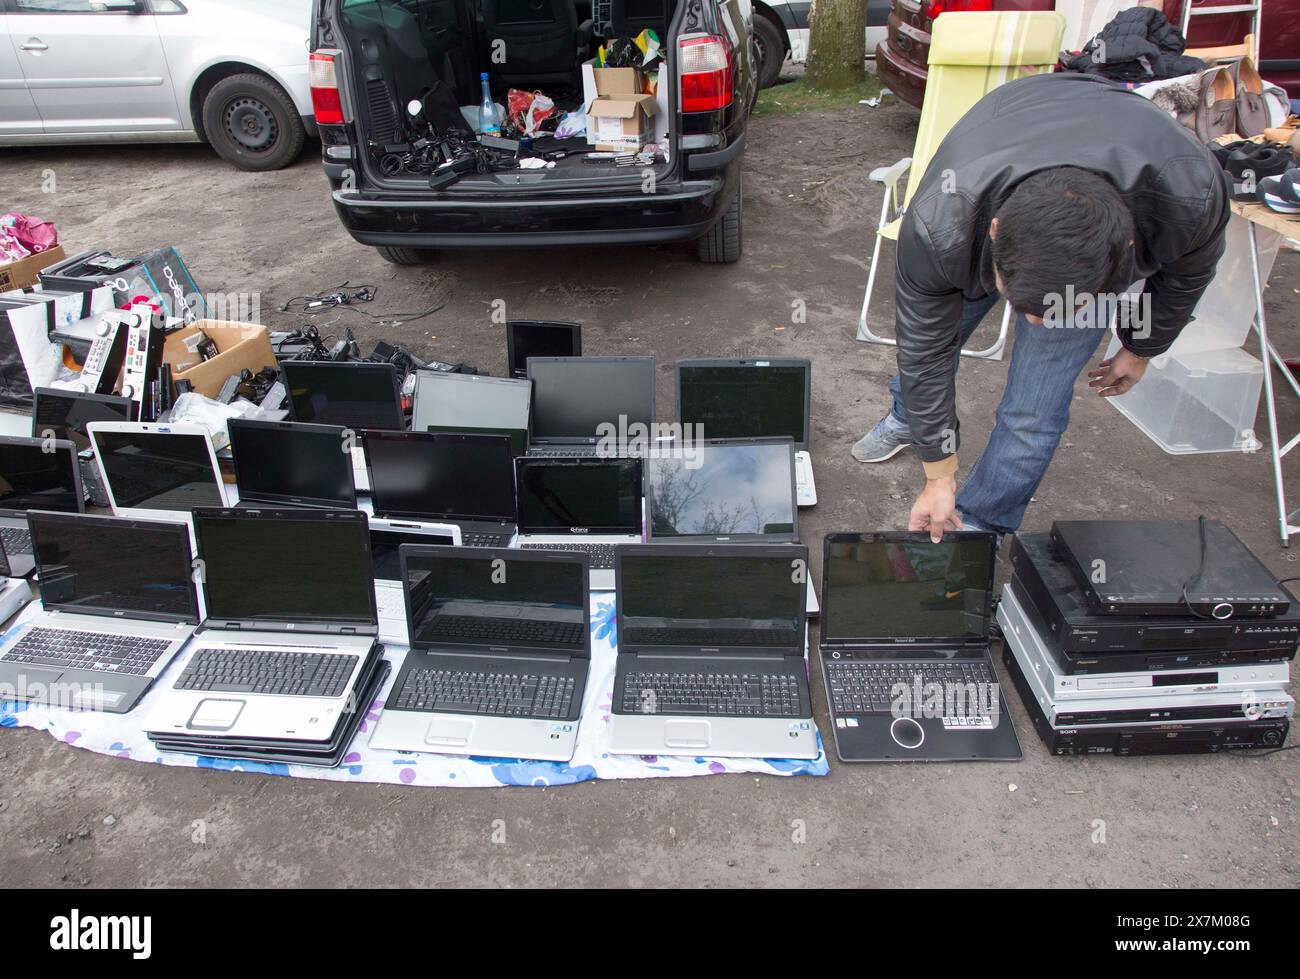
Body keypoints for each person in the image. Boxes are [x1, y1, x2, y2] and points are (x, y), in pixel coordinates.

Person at [852, 72, 1231, 542]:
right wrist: (938, 475)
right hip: (1011, 131)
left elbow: (1187, 275)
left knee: (1034, 409)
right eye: (1023, 305)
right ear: (993, 234)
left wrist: (1141, 346)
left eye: (1057, 310)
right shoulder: (940, 227)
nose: (1035, 324)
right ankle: (909, 419)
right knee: (933, 354)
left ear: (1125, 250)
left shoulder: (1190, 195)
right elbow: (924, 350)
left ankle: (979, 524)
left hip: (1124, 175)